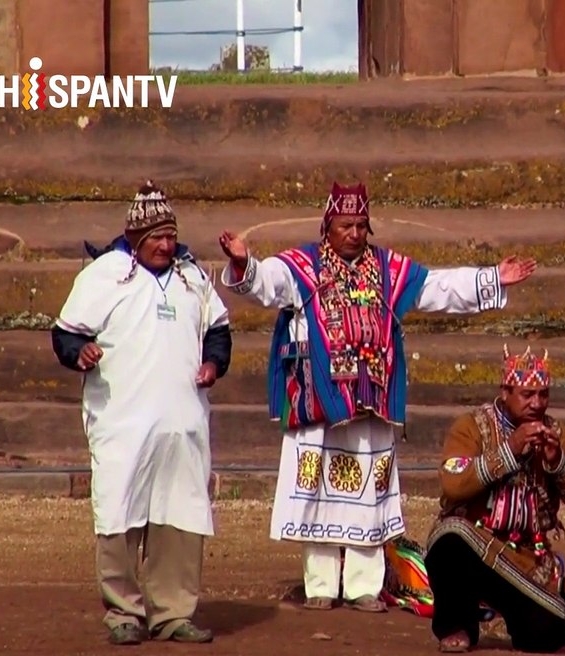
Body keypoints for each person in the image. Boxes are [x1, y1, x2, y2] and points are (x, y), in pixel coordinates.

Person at [218, 182, 537, 613]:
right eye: (345, 225)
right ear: (327, 226)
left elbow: (437, 288)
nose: (354, 233)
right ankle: (320, 586)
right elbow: (268, 283)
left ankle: (364, 586)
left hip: (372, 403)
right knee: (316, 489)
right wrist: (244, 263)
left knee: (368, 492)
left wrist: (493, 277)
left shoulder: (388, 269)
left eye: (361, 225)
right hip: (320, 403)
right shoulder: (303, 266)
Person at [51, 181, 232, 645]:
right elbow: (65, 334)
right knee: (119, 512)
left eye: (171, 237)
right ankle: (123, 613)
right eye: (157, 238)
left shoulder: (192, 276)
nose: (166, 245)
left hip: (181, 425)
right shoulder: (106, 274)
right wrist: (81, 352)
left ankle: (173, 613)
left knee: (180, 517)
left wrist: (213, 363)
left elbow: (218, 330)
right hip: (123, 421)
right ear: (135, 237)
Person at [424, 346, 565, 653]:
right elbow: (453, 483)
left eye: (543, 394)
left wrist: (557, 462)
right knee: (449, 536)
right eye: (527, 394)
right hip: (474, 548)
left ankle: (510, 620)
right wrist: (509, 451)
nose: (537, 403)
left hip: (525, 562)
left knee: (552, 633)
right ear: (504, 391)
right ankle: (457, 625)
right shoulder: (470, 427)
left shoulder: (559, 435)